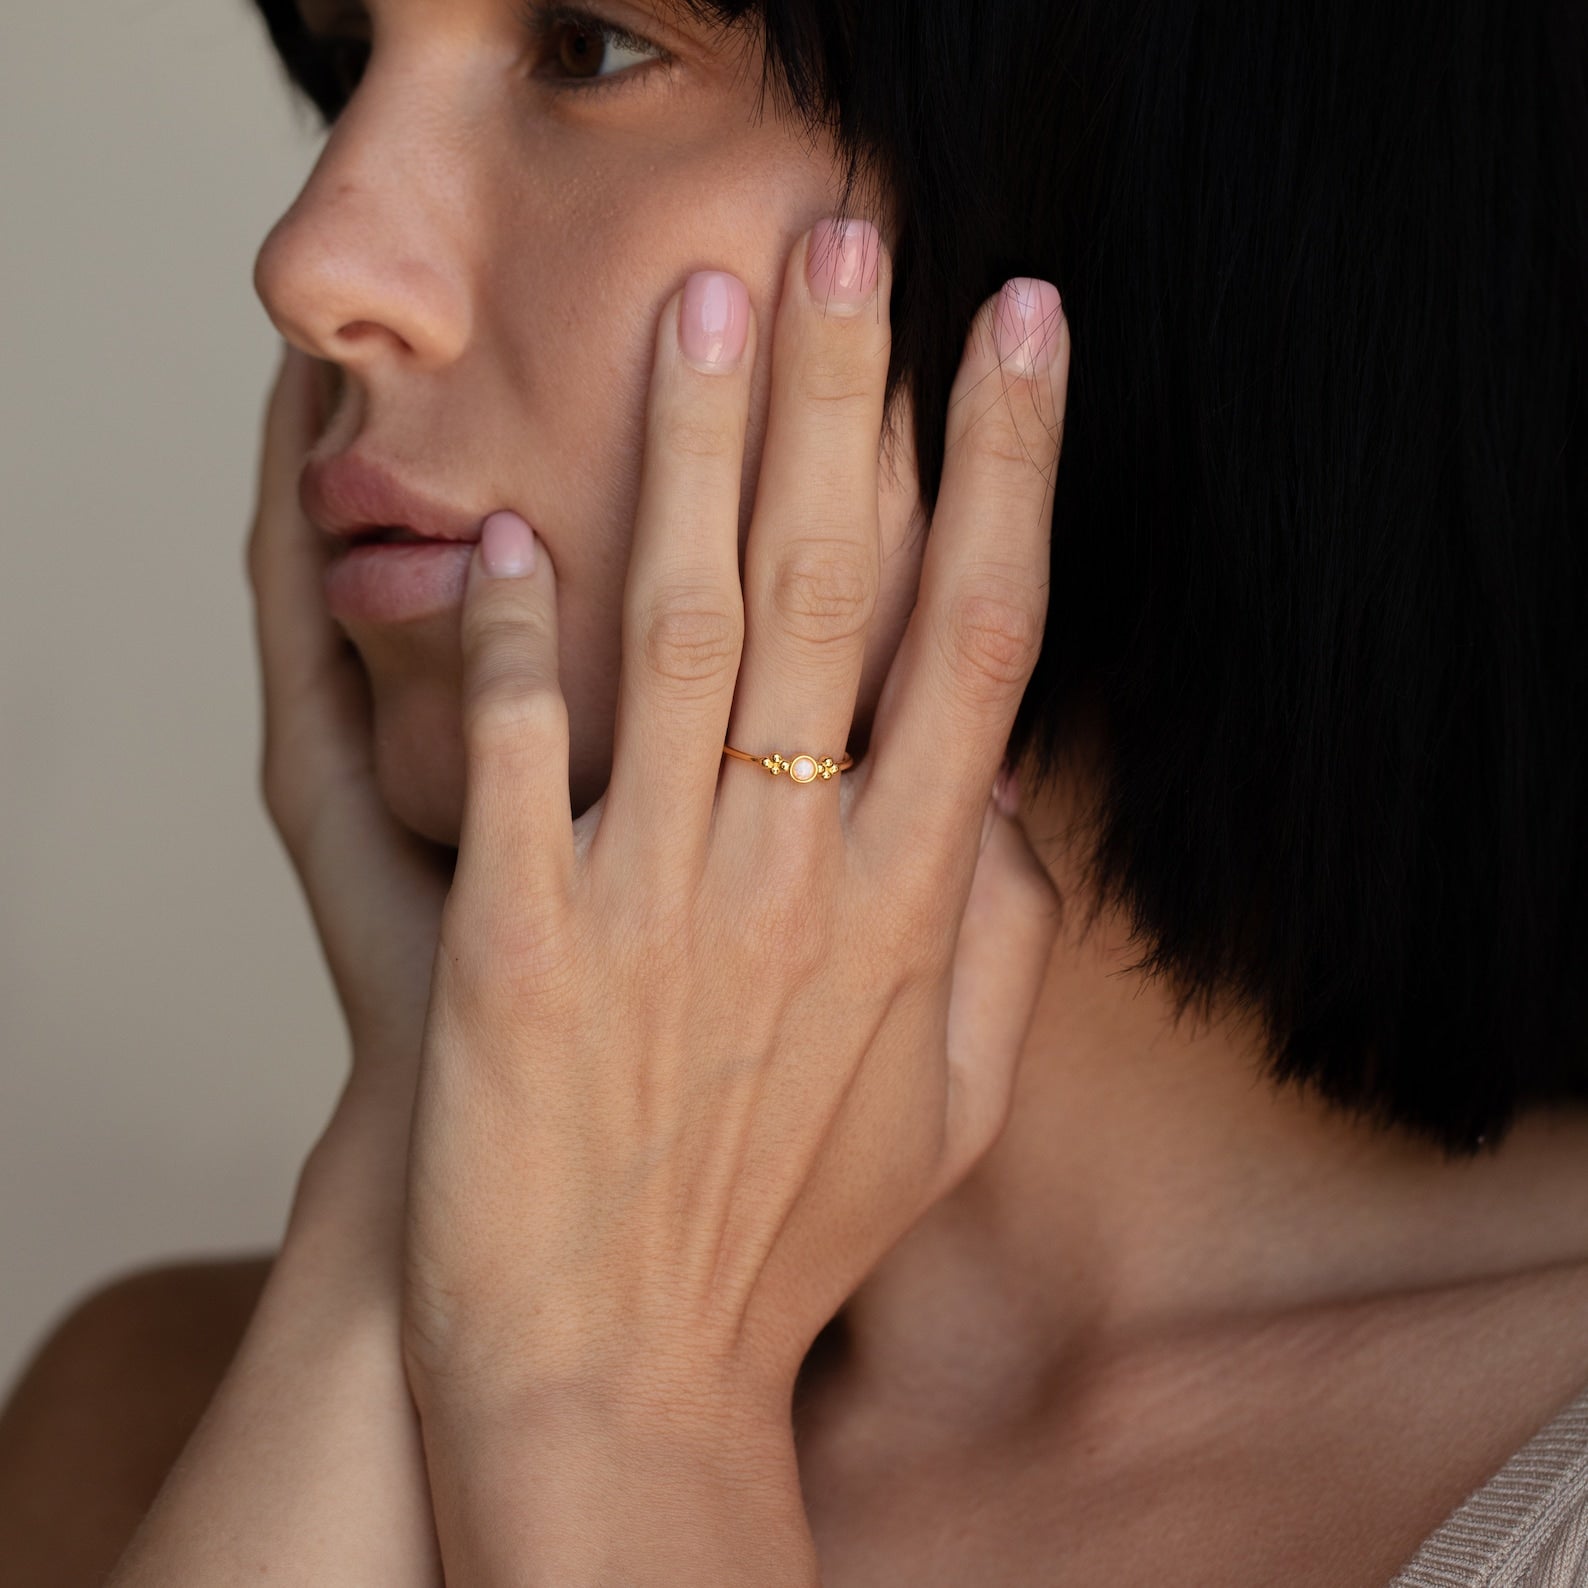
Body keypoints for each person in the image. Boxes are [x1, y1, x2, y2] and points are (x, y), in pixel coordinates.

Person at [1, 0, 1584, 1582]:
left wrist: (617, 1414)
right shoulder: (136, 1424)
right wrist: (425, 1117)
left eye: (587, 45)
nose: (313, 261)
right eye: (350, 64)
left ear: (1171, 187)